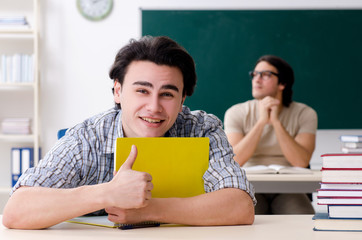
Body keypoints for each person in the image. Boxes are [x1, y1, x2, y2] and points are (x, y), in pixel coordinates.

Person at [2, 36, 256, 229]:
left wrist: (148, 210)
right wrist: (107, 193)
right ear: (118, 91)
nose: (154, 107)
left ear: (182, 99)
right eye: (142, 91)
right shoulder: (88, 136)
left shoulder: (201, 129)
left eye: (167, 94)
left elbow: (240, 206)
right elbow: (17, 211)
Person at [224, 55, 317, 214]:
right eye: (255, 74)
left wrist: (275, 122)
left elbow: (300, 161)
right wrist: (261, 122)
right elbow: (235, 160)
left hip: (289, 187)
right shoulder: (236, 112)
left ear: (283, 83)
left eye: (265, 75)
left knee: (303, 219)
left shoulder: (305, 113)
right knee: (243, 219)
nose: (257, 79)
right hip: (249, 186)